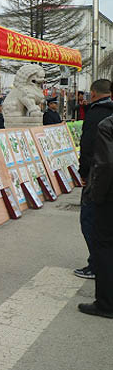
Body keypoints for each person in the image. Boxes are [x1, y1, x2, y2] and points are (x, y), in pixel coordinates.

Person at [74, 79, 113, 280]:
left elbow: (88, 147)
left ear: (94, 93)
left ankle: (97, 264)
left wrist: (83, 174)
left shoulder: (95, 114)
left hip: (98, 175)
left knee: (90, 220)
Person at [79, 114, 113, 319]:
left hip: (109, 196)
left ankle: (106, 303)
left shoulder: (107, 125)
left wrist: (96, 195)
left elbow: (106, 164)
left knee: (103, 245)